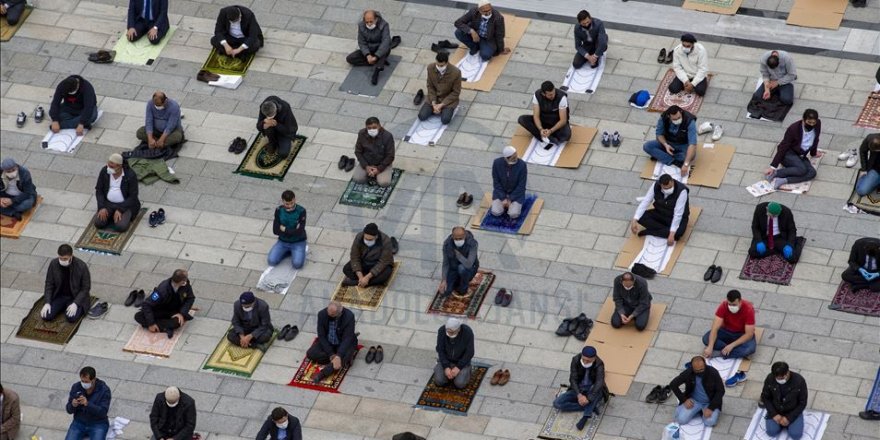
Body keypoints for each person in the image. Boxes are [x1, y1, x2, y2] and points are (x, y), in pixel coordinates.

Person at [702, 289, 756, 387]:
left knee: (749, 349)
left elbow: (749, 334)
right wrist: (710, 346)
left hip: (741, 334)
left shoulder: (748, 309)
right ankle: (728, 351)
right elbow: (715, 328)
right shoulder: (723, 306)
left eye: (734, 305)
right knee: (706, 338)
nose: (731, 307)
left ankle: (719, 353)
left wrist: (731, 345)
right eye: (730, 304)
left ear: (740, 301)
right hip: (726, 331)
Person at [764, 109, 822, 189]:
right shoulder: (793, 129)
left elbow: (816, 139)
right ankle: (775, 173)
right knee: (802, 170)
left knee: (812, 173)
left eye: (813, 123)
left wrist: (813, 153)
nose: (812, 125)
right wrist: (773, 166)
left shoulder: (818, 123)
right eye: (809, 122)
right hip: (789, 153)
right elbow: (784, 146)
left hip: (801, 155)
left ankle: (783, 180)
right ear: (803, 120)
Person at [553, 346, 608, 431]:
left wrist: (588, 399)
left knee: (597, 391)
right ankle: (589, 407)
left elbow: (599, 382)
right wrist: (579, 395)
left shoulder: (599, 364)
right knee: (557, 403)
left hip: (592, 389)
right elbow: (573, 379)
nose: (585, 362)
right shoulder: (576, 360)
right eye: (584, 359)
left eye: (588, 361)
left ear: (594, 358)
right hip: (579, 388)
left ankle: (586, 416)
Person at [631, 174, 690, 245]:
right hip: (660, 213)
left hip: (675, 217)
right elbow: (646, 201)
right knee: (641, 217)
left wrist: (672, 234)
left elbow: (678, 213)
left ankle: (651, 232)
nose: (667, 190)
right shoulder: (656, 185)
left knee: (678, 233)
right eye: (664, 188)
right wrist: (634, 220)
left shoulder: (682, 191)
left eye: (669, 188)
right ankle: (665, 231)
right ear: (660, 185)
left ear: (672, 182)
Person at [134, 269, 195, 339]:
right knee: (138, 316)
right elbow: (146, 304)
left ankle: (159, 326)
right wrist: (151, 323)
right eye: (184, 280)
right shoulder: (162, 290)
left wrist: (182, 313)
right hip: (161, 309)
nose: (186, 281)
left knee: (178, 322)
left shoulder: (186, 284)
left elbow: (190, 298)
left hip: (175, 310)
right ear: (181, 281)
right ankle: (163, 327)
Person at [307, 301, 358, 383]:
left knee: (342, 356)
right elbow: (321, 336)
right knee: (311, 354)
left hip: (343, 343)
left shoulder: (349, 316)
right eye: (329, 314)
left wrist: (339, 355)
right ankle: (341, 360)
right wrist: (331, 354)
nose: (330, 316)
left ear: (340, 312)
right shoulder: (322, 314)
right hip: (329, 342)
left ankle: (322, 374)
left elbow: (347, 339)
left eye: (333, 315)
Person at [642, 105, 697, 177]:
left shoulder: (689, 121)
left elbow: (692, 144)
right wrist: (665, 145)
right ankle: (673, 161)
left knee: (688, 156)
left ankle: (662, 156)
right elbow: (659, 134)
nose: (677, 120)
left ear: (681, 112)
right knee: (647, 146)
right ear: (669, 117)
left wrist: (686, 164)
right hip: (668, 142)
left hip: (683, 144)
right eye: (674, 119)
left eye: (679, 118)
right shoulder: (663, 118)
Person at [669, 356, 724, 427]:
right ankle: (697, 410)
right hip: (694, 401)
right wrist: (684, 400)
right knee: (681, 420)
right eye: (696, 371)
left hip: (710, 402)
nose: (699, 372)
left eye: (701, 370)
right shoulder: (688, 372)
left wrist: (711, 408)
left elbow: (720, 391)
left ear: (705, 365)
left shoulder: (713, 372)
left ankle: (698, 411)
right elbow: (673, 384)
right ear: (692, 367)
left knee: (710, 422)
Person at [42, 244, 91, 323]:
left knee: (71, 318)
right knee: (46, 316)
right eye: (60, 258)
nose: (62, 261)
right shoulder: (54, 264)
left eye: (65, 258)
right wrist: (47, 302)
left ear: (71, 256)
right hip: (60, 296)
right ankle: (62, 307)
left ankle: (79, 307)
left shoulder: (81, 266)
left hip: (74, 296)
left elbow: (85, 288)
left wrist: (76, 303)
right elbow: (49, 284)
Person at [761, 361, 808, 440]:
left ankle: (790, 423)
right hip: (776, 409)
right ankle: (780, 424)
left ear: (787, 373)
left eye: (782, 378)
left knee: (796, 435)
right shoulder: (770, 378)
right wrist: (773, 414)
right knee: (771, 432)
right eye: (777, 378)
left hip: (792, 410)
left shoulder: (799, 381)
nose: (780, 380)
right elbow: (765, 397)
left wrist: (789, 418)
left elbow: (802, 403)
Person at [94, 153, 140, 232]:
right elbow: (99, 190)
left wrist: (120, 209)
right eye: (108, 165)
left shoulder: (130, 175)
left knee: (121, 227)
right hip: (108, 203)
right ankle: (111, 215)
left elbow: (133, 196)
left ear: (119, 166)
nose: (108, 168)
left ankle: (118, 215)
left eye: (111, 167)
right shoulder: (104, 171)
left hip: (125, 205)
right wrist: (101, 207)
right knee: (98, 223)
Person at [517, 81, 571, 149]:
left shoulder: (561, 97)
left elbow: (563, 120)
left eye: (553, 93)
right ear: (543, 94)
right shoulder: (537, 95)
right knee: (522, 119)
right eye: (550, 95)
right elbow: (536, 116)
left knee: (566, 135)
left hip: (556, 122)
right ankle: (544, 135)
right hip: (543, 121)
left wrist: (551, 130)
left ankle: (548, 135)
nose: (553, 96)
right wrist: (540, 129)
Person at [346, 9, 392, 85]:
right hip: (369, 49)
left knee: (384, 50)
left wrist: (377, 55)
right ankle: (374, 62)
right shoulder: (361, 26)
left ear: (376, 19)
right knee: (350, 58)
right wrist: (367, 55)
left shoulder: (384, 25)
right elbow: (361, 42)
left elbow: (385, 42)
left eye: (371, 21)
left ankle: (377, 70)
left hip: (380, 49)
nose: (369, 24)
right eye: (367, 22)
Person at [64, 366, 111, 440]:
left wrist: (88, 404)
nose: (84, 384)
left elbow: (103, 412)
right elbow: (69, 410)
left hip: (98, 423)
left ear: (94, 380)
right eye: (82, 381)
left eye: (86, 382)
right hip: (79, 422)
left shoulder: (104, 390)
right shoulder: (76, 387)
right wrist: (73, 405)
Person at [342, 223, 395, 287]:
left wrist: (367, 277)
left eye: (370, 240)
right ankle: (364, 281)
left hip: (378, 263)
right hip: (365, 261)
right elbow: (355, 257)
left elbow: (383, 262)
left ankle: (355, 282)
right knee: (346, 269)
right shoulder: (359, 237)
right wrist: (360, 277)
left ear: (376, 237)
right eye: (366, 239)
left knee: (385, 275)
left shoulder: (386, 241)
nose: (367, 241)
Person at [418, 51, 462, 125]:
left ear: (446, 63)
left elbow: (456, 92)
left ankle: (442, 109)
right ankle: (436, 109)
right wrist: (434, 103)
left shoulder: (456, 72)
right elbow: (430, 86)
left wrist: (442, 104)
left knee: (445, 120)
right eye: (437, 65)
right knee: (422, 116)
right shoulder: (430, 68)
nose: (439, 67)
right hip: (433, 98)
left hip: (448, 100)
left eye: (441, 66)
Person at [267, 190, 307, 269]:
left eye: (292, 203)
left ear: (294, 199)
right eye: (287, 204)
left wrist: (284, 229)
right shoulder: (279, 210)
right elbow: (275, 230)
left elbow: (299, 231)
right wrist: (292, 231)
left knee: (297, 264)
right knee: (271, 261)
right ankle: (288, 252)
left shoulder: (301, 211)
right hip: (283, 241)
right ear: (283, 201)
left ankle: (295, 252)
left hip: (298, 241)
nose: (290, 206)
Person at [353, 117, 395, 187]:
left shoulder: (387, 136)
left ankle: (377, 173)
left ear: (379, 126)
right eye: (369, 128)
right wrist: (366, 166)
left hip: (382, 163)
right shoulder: (362, 134)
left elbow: (390, 156)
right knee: (358, 179)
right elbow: (358, 152)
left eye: (374, 127)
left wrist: (379, 168)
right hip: (367, 163)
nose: (372, 130)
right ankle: (371, 173)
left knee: (384, 183)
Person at [434, 317, 475, 389]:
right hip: (446, 360)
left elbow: (470, 352)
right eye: (448, 331)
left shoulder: (467, 332)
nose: (449, 334)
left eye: (452, 332)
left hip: (462, 362)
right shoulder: (442, 331)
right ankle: (448, 374)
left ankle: (467, 370)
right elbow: (440, 349)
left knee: (460, 384)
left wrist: (458, 367)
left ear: (458, 329)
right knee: (439, 381)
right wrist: (446, 367)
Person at [438, 226, 479, 298]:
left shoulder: (472, 243)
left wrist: (459, 256)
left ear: (465, 235)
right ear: (452, 237)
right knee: (445, 292)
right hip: (453, 268)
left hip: (468, 269)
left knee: (462, 268)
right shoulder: (447, 244)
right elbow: (446, 263)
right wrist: (443, 280)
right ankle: (455, 281)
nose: (458, 240)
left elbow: (469, 264)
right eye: (456, 239)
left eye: (460, 238)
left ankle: (464, 287)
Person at [491, 146, 528, 219]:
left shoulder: (522, 165)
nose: (515, 159)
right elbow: (496, 182)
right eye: (513, 158)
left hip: (516, 194)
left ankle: (512, 205)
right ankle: (504, 204)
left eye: (516, 156)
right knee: (496, 212)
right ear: (506, 158)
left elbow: (521, 185)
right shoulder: (497, 163)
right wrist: (503, 198)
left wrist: (510, 199)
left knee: (513, 214)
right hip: (501, 193)